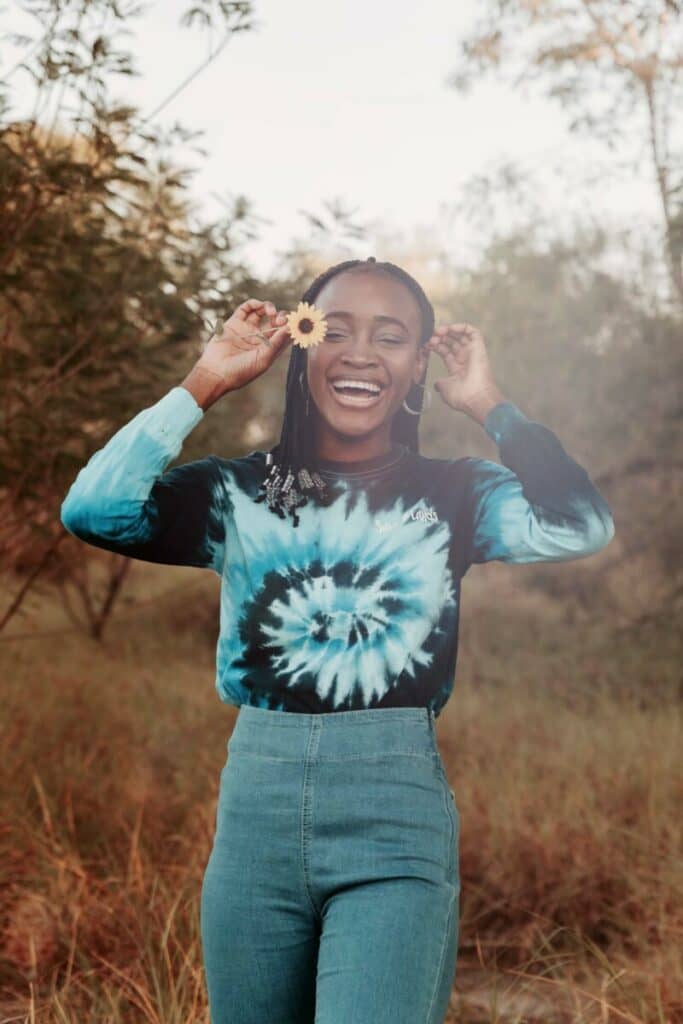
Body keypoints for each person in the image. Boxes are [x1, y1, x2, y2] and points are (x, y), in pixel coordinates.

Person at [60, 257, 615, 1024]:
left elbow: (580, 524)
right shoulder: (236, 492)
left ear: (418, 365)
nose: (360, 354)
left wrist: (490, 406)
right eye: (336, 330)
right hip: (254, 821)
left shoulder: (458, 493)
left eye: (391, 338)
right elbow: (93, 510)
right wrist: (205, 381)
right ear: (301, 345)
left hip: (395, 823)